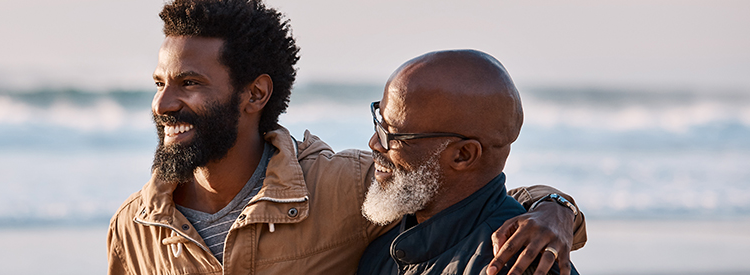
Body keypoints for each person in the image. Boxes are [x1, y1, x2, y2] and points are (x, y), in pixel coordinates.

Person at [107, 1, 585, 274]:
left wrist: (554, 211)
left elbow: (473, 199)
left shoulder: (345, 189)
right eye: (159, 84)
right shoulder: (133, 228)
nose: (163, 103)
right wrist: (556, 209)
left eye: (189, 83)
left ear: (255, 94)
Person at [356, 49, 580, 275]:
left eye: (392, 134)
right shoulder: (385, 244)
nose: (374, 143)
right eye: (379, 122)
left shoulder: (519, 264)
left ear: (463, 155)